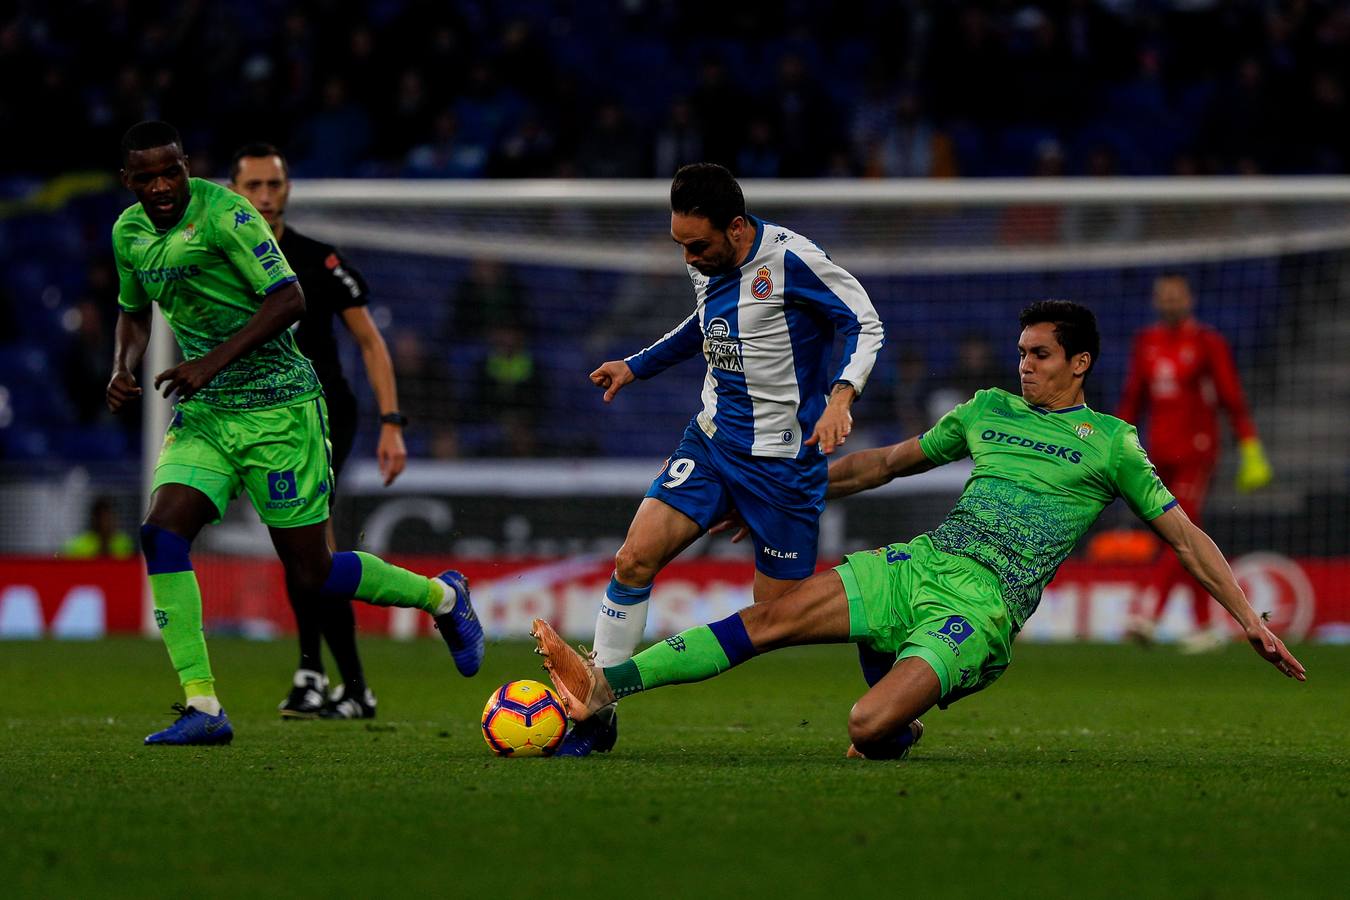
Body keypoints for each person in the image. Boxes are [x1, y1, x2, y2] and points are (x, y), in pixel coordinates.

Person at [533, 301, 1305, 760]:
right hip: (920, 561)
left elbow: (1186, 538)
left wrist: (1248, 621)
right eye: (1021, 354)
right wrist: (771, 489)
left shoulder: (1113, 443)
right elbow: (885, 465)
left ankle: (892, 724)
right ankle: (603, 687)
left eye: (1039, 356)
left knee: (865, 727)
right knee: (771, 617)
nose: (1024, 366)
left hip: (983, 604)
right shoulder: (987, 411)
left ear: (1081, 362)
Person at [108, 121, 483, 746]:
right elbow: (132, 312)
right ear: (129, 181)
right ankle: (203, 705)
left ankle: (443, 598)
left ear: (186, 165)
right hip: (207, 416)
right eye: (146, 176)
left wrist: (207, 362)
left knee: (312, 573)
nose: (162, 185)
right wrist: (122, 366)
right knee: (161, 533)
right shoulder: (128, 233)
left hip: (282, 412)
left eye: (170, 170)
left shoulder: (226, 212)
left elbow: (289, 299)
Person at [571, 162, 884, 755]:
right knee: (634, 558)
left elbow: (865, 325)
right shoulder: (709, 264)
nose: (689, 257)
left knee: (779, 618)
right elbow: (707, 324)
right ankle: (597, 706)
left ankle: (881, 637)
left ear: (737, 228)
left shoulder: (795, 261)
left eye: (699, 245)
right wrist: (635, 366)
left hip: (783, 469)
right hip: (712, 444)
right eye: (680, 245)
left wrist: (841, 397)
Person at [229, 142, 407, 720]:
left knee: (311, 547)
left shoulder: (316, 258)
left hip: (325, 414)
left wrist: (391, 423)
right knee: (297, 549)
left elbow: (370, 342)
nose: (265, 197)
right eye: (253, 186)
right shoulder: (220, 262)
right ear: (234, 192)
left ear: (287, 191)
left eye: (273, 185)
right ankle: (329, 681)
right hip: (260, 417)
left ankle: (338, 681)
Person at [1119, 274, 1273, 652]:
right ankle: (1206, 624)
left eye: (1177, 297)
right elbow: (1132, 399)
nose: (1171, 303)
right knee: (1187, 533)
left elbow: (1230, 396)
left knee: (1180, 533)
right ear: (1157, 302)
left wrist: (1250, 446)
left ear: (1189, 299)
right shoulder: (1146, 343)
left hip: (1197, 453)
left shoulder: (1207, 343)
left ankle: (1149, 613)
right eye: (1164, 298)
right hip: (1159, 454)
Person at [61, 496, 135, 559]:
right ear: (95, 520)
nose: (108, 523)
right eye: (104, 518)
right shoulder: (79, 545)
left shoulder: (124, 543)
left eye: (110, 518)